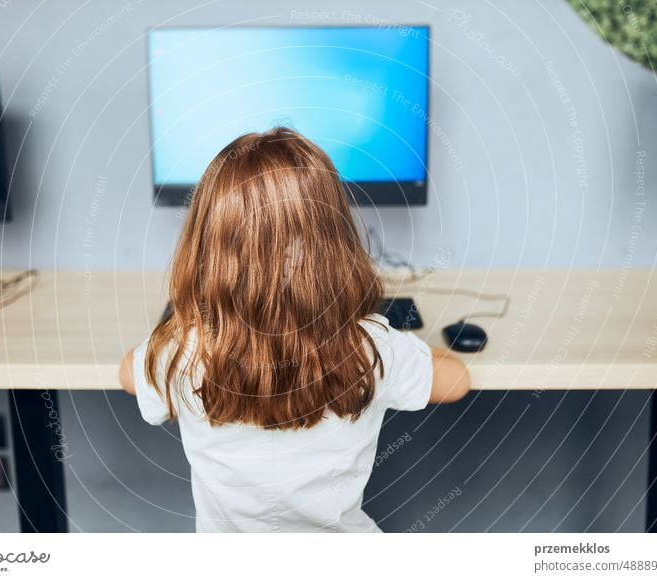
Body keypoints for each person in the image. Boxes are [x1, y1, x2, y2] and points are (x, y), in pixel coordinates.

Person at [119, 127, 470, 532]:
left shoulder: (184, 349)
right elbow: (456, 382)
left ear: (208, 243)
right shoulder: (368, 346)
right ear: (332, 241)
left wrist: (183, 327)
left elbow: (130, 373)